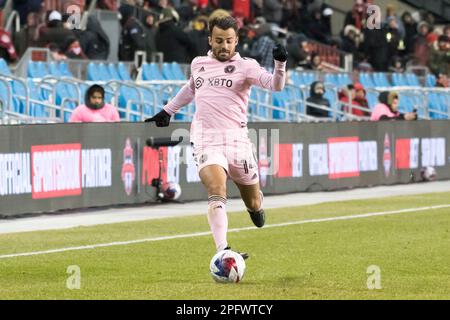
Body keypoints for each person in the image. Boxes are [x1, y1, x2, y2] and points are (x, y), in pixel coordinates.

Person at [145, 15, 287, 258]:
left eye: (229, 41)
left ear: (236, 41)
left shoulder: (247, 66)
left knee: (252, 202)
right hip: (206, 139)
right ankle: (223, 251)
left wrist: (280, 64)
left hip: (237, 141)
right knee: (216, 188)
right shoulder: (199, 63)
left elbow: (275, 86)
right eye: (219, 40)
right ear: (210, 40)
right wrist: (168, 111)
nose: (224, 46)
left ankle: (256, 207)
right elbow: (191, 88)